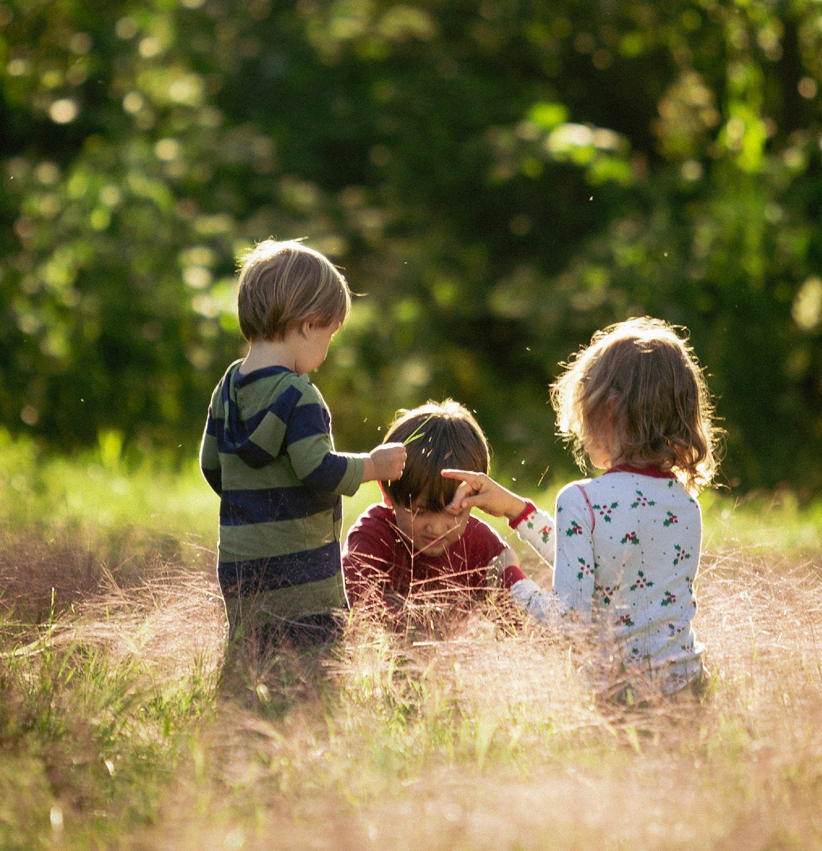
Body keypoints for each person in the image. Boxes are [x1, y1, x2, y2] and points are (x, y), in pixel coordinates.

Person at [444, 317, 722, 698]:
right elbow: (604, 562)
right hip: (688, 691)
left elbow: (570, 623)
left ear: (606, 410)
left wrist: (511, 581)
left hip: (619, 702)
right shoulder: (684, 504)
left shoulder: (582, 500)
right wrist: (516, 511)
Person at [199, 239, 406, 645]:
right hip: (303, 575)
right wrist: (373, 465)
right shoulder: (299, 394)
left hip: (241, 565)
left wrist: (252, 507)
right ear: (309, 325)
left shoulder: (227, 388)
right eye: (328, 336)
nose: (327, 350)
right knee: (315, 665)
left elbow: (211, 466)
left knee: (252, 656)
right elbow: (317, 469)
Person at [342, 400, 547, 623]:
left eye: (455, 513)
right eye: (419, 512)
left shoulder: (480, 545)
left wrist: (508, 574)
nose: (437, 528)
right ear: (387, 492)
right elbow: (355, 598)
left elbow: (521, 622)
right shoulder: (374, 535)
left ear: (473, 500)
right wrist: (422, 630)